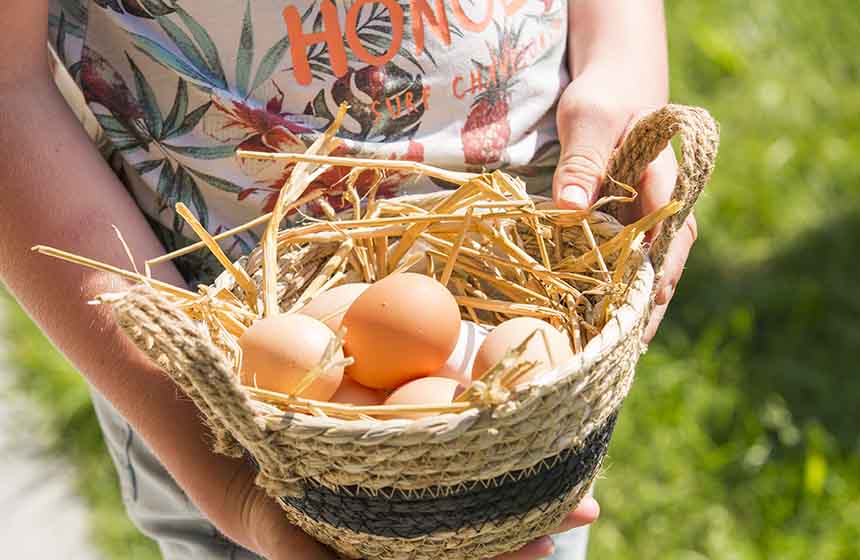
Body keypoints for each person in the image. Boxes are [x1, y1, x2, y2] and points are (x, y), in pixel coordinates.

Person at [0, 1, 695, 558]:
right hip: (238, 403)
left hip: (527, 318)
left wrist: (620, 69)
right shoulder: (235, 431)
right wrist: (235, 490)